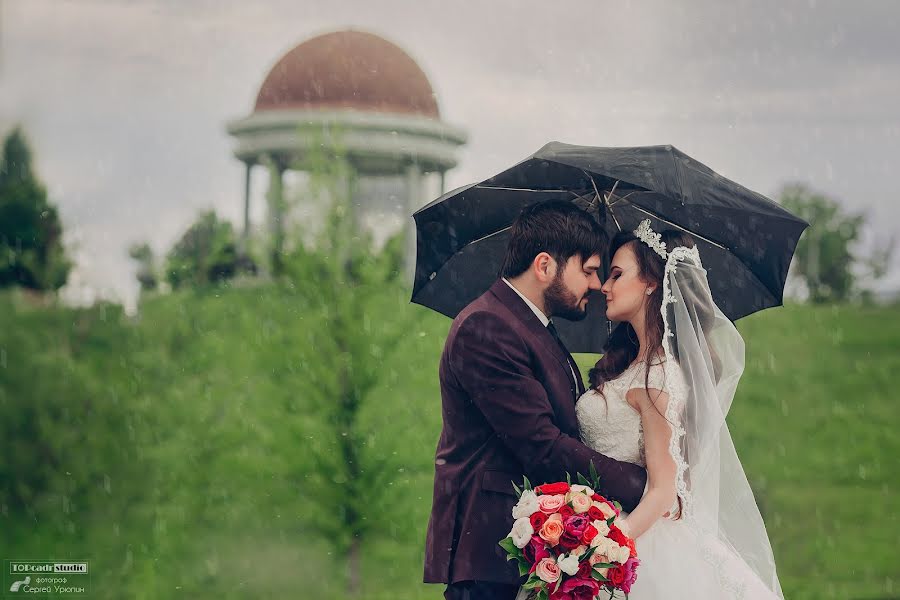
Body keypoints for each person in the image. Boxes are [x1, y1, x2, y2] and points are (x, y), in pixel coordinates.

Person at [423, 201, 648, 600]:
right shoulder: (486, 327)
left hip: (531, 553)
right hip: (491, 550)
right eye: (590, 271)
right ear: (544, 266)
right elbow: (542, 445)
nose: (596, 286)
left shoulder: (534, 327)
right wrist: (638, 484)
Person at [573, 219, 785, 598]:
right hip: (612, 517)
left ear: (652, 282)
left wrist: (602, 552)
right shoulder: (635, 366)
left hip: (639, 540)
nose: (605, 286)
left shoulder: (658, 377)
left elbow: (663, 491)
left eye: (617, 274)